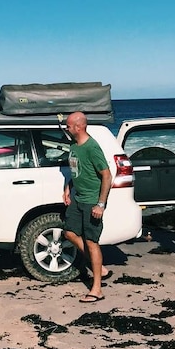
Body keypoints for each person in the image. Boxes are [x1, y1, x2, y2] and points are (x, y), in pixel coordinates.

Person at [62, 111, 112, 303]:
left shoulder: (92, 147)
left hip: (92, 200)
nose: (66, 128)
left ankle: (97, 289)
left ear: (78, 126)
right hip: (79, 198)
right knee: (69, 233)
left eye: (68, 125)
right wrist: (68, 187)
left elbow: (107, 176)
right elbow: (78, 170)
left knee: (92, 242)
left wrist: (101, 204)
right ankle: (99, 266)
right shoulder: (74, 145)